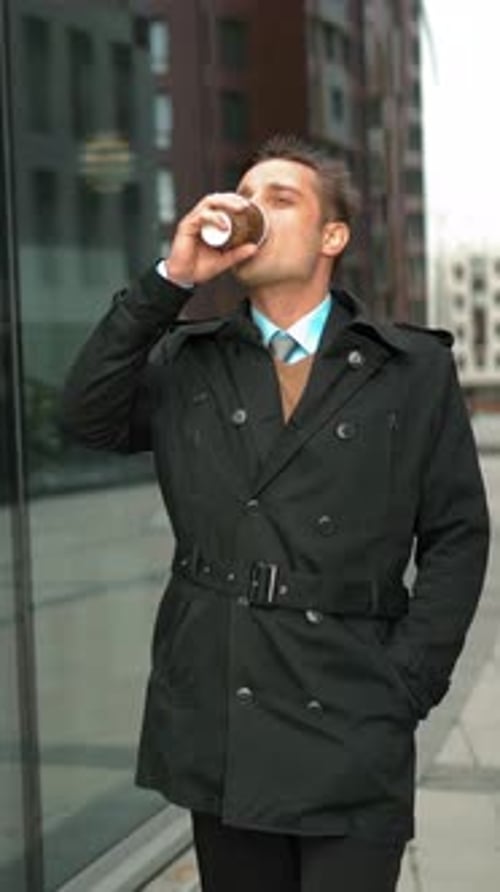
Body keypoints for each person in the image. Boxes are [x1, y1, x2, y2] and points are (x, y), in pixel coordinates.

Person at [61, 135, 490, 892]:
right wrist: (171, 280)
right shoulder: (189, 359)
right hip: (227, 707)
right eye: (246, 194)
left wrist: (410, 682)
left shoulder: (409, 368)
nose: (251, 209)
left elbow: (457, 533)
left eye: (280, 198)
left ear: (333, 236)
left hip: (353, 712)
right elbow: (85, 419)